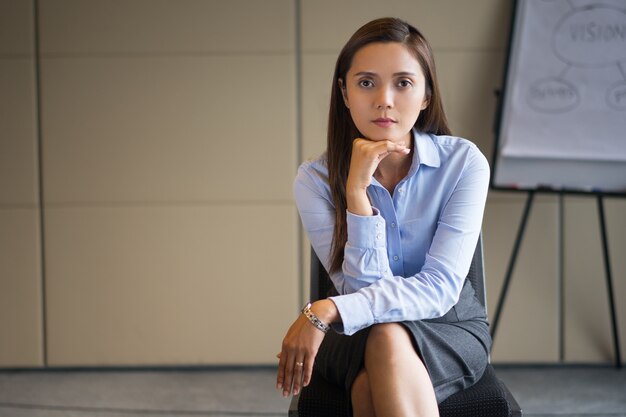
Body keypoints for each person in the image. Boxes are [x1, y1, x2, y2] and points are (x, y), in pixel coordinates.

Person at [277, 17, 491, 417]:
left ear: (426, 95)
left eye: (403, 83)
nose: (384, 99)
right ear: (344, 92)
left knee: (372, 382)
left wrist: (328, 309)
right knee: (385, 337)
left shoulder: (463, 163)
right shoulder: (315, 180)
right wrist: (357, 194)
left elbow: (440, 288)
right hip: (353, 334)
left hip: (448, 325)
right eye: (366, 82)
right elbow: (361, 288)